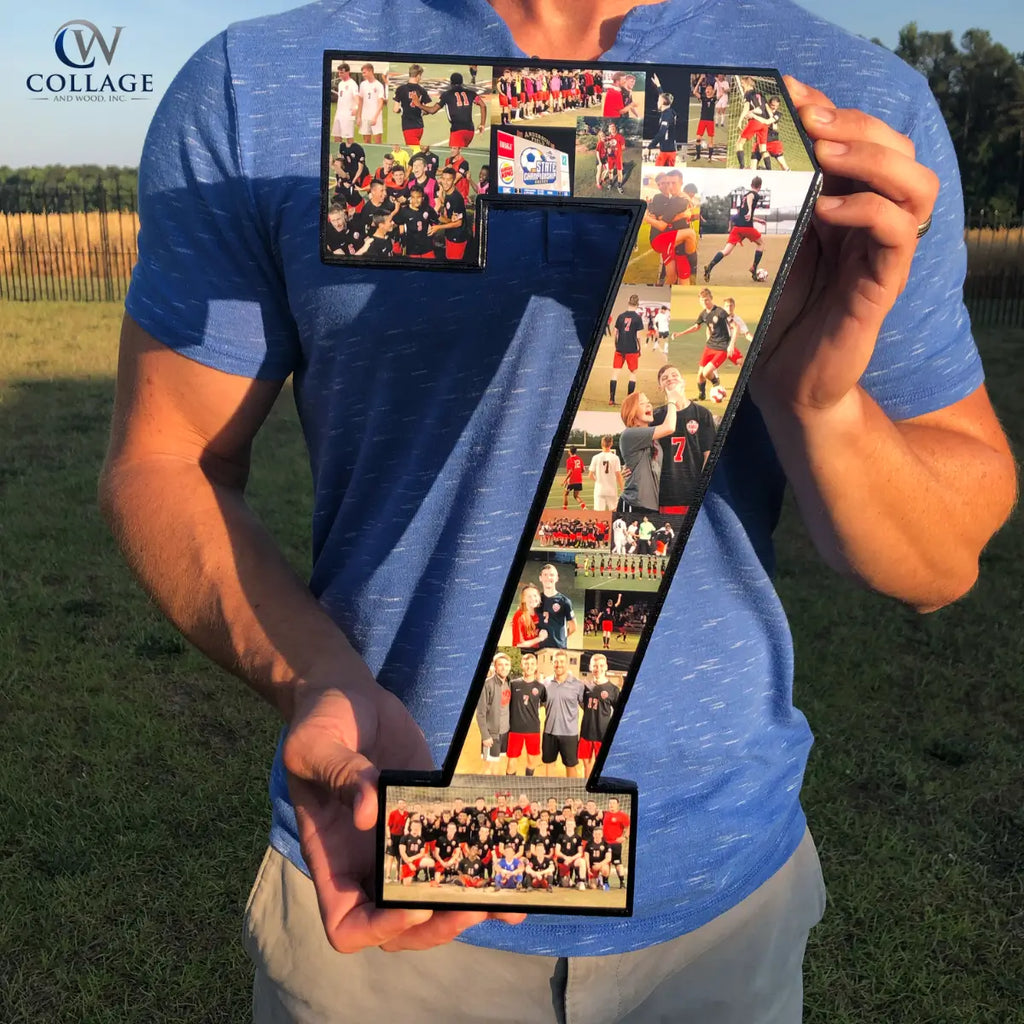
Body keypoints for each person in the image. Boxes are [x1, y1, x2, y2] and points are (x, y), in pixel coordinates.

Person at [100, 1, 1016, 1021]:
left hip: (716, 907)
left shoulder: (848, 107)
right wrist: (310, 673)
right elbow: (162, 458)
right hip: (386, 866)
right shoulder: (259, 85)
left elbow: (941, 560)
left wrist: (817, 401)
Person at [650, 364, 717, 515]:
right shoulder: (656, 417)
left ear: (683, 381)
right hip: (667, 494)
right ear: (660, 387)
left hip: (695, 493)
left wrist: (702, 489)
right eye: (664, 378)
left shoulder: (702, 413)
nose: (670, 379)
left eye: (674, 375)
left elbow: (709, 455)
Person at [616, 383, 685, 513]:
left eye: (649, 402)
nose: (649, 405)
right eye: (642, 403)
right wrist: (671, 400)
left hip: (652, 506)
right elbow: (669, 426)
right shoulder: (630, 434)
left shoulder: (654, 438)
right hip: (634, 504)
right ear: (632, 412)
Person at [673, 287, 737, 400]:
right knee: (700, 376)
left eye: (707, 299)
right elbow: (696, 327)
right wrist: (680, 333)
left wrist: (731, 344)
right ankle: (701, 397)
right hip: (710, 346)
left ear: (711, 299)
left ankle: (717, 386)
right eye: (702, 300)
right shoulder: (703, 314)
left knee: (707, 372)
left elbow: (735, 327)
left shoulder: (720, 312)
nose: (705, 302)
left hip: (722, 348)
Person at [704, 176, 766, 283]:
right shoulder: (753, 194)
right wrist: (750, 211)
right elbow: (751, 198)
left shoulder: (744, 196)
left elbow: (742, 213)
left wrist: (757, 219)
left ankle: (710, 266)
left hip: (737, 228)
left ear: (751, 185)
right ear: (759, 186)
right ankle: (754, 268)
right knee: (761, 244)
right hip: (746, 228)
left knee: (726, 251)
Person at [540, 651, 585, 778]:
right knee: (549, 765)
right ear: (552, 663)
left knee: (570, 766)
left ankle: (572, 795)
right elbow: (539, 704)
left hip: (569, 734)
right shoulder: (545, 683)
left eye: (562, 662)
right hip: (549, 732)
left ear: (567, 663)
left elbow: (585, 707)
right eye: (556, 661)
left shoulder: (578, 685)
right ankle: (548, 794)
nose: (559, 665)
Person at [505, 651, 546, 775]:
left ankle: (528, 782)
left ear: (536, 666)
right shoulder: (513, 684)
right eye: (526, 663)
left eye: (532, 663)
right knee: (512, 760)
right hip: (515, 729)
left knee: (532, 759)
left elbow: (544, 703)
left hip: (533, 729)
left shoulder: (541, 687)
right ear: (521, 665)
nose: (529, 666)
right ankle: (509, 786)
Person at [474, 654, 511, 775]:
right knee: (488, 767)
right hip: (492, 735)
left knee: (498, 765)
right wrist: (485, 736)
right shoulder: (487, 684)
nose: (503, 668)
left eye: (506, 665)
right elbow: (480, 713)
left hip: (505, 733)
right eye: (500, 664)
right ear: (495, 666)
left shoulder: (508, 683)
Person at [536, 562, 576, 649]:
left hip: (559, 649)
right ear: (540, 578)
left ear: (557, 578)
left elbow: (573, 627)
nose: (548, 578)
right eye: (545, 575)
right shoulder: (536, 600)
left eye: (551, 575)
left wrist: (560, 639)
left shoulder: (565, 601)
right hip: (540, 647)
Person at [393, 64, 431, 147]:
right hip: (420, 126)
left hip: (408, 126)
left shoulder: (400, 89)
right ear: (418, 75)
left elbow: (395, 109)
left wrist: (402, 110)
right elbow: (427, 110)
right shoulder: (422, 90)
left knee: (415, 150)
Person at [587, 435, 624, 512]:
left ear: (601, 444)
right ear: (611, 444)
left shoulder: (595, 457)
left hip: (599, 490)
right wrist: (623, 489)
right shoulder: (615, 458)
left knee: (598, 514)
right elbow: (618, 476)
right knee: (614, 513)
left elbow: (590, 475)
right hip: (612, 490)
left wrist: (598, 481)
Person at [510, 582, 547, 649]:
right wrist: (540, 639)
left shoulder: (540, 612)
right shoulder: (519, 616)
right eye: (529, 596)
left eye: (535, 595)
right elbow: (518, 645)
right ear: (523, 599)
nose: (533, 598)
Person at [356, 63, 386, 144]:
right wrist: (358, 116)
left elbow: (381, 103)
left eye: (364, 72)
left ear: (370, 71)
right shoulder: (363, 84)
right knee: (366, 140)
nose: (363, 75)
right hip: (365, 116)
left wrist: (375, 117)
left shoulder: (379, 85)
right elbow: (360, 101)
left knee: (378, 141)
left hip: (375, 116)